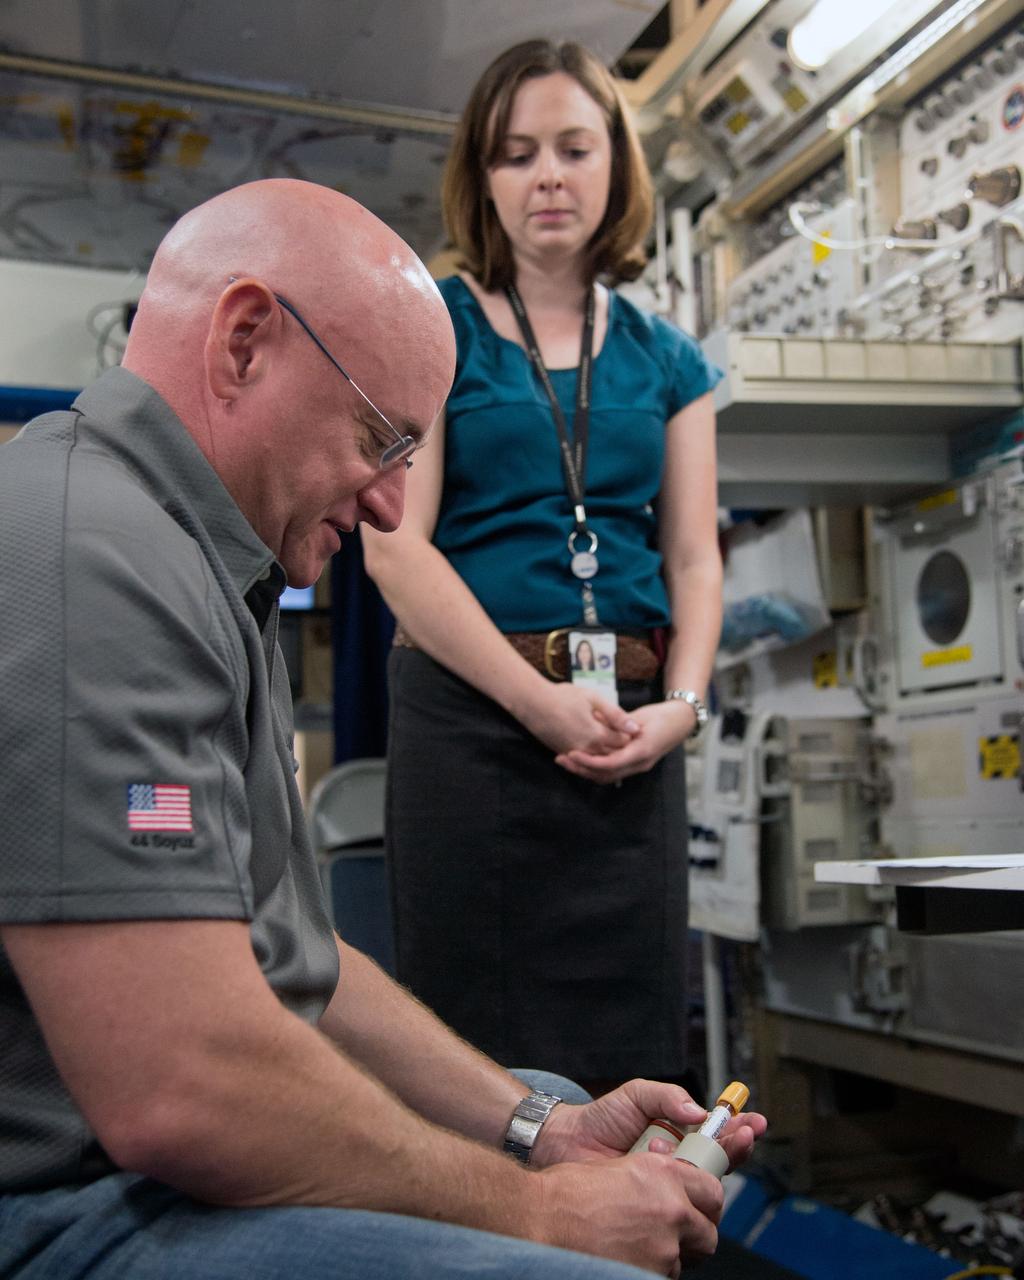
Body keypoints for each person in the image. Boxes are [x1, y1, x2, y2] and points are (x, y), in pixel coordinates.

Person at [0, 178, 763, 1280]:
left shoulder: (207, 568)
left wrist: (533, 1134)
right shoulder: (90, 559)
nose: (393, 508)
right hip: (58, 1208)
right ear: (245, 339)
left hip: (127, 1165)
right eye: (379, 437)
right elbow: (185, 1086)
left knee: (553, 1101)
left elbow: (299, 964)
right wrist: (537, 1214)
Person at [363, 40, 723, 1092]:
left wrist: (684, 706)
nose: (549, 176)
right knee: (472, 1052)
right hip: (473, 722)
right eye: (516, 154)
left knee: (630, 1045)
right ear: (482, 175)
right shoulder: (433, 326)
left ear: (616, 164)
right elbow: (394, 544)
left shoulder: (668, 356)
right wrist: (536, 702)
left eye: (573, 147)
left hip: (630, 729)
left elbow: (694, 555)